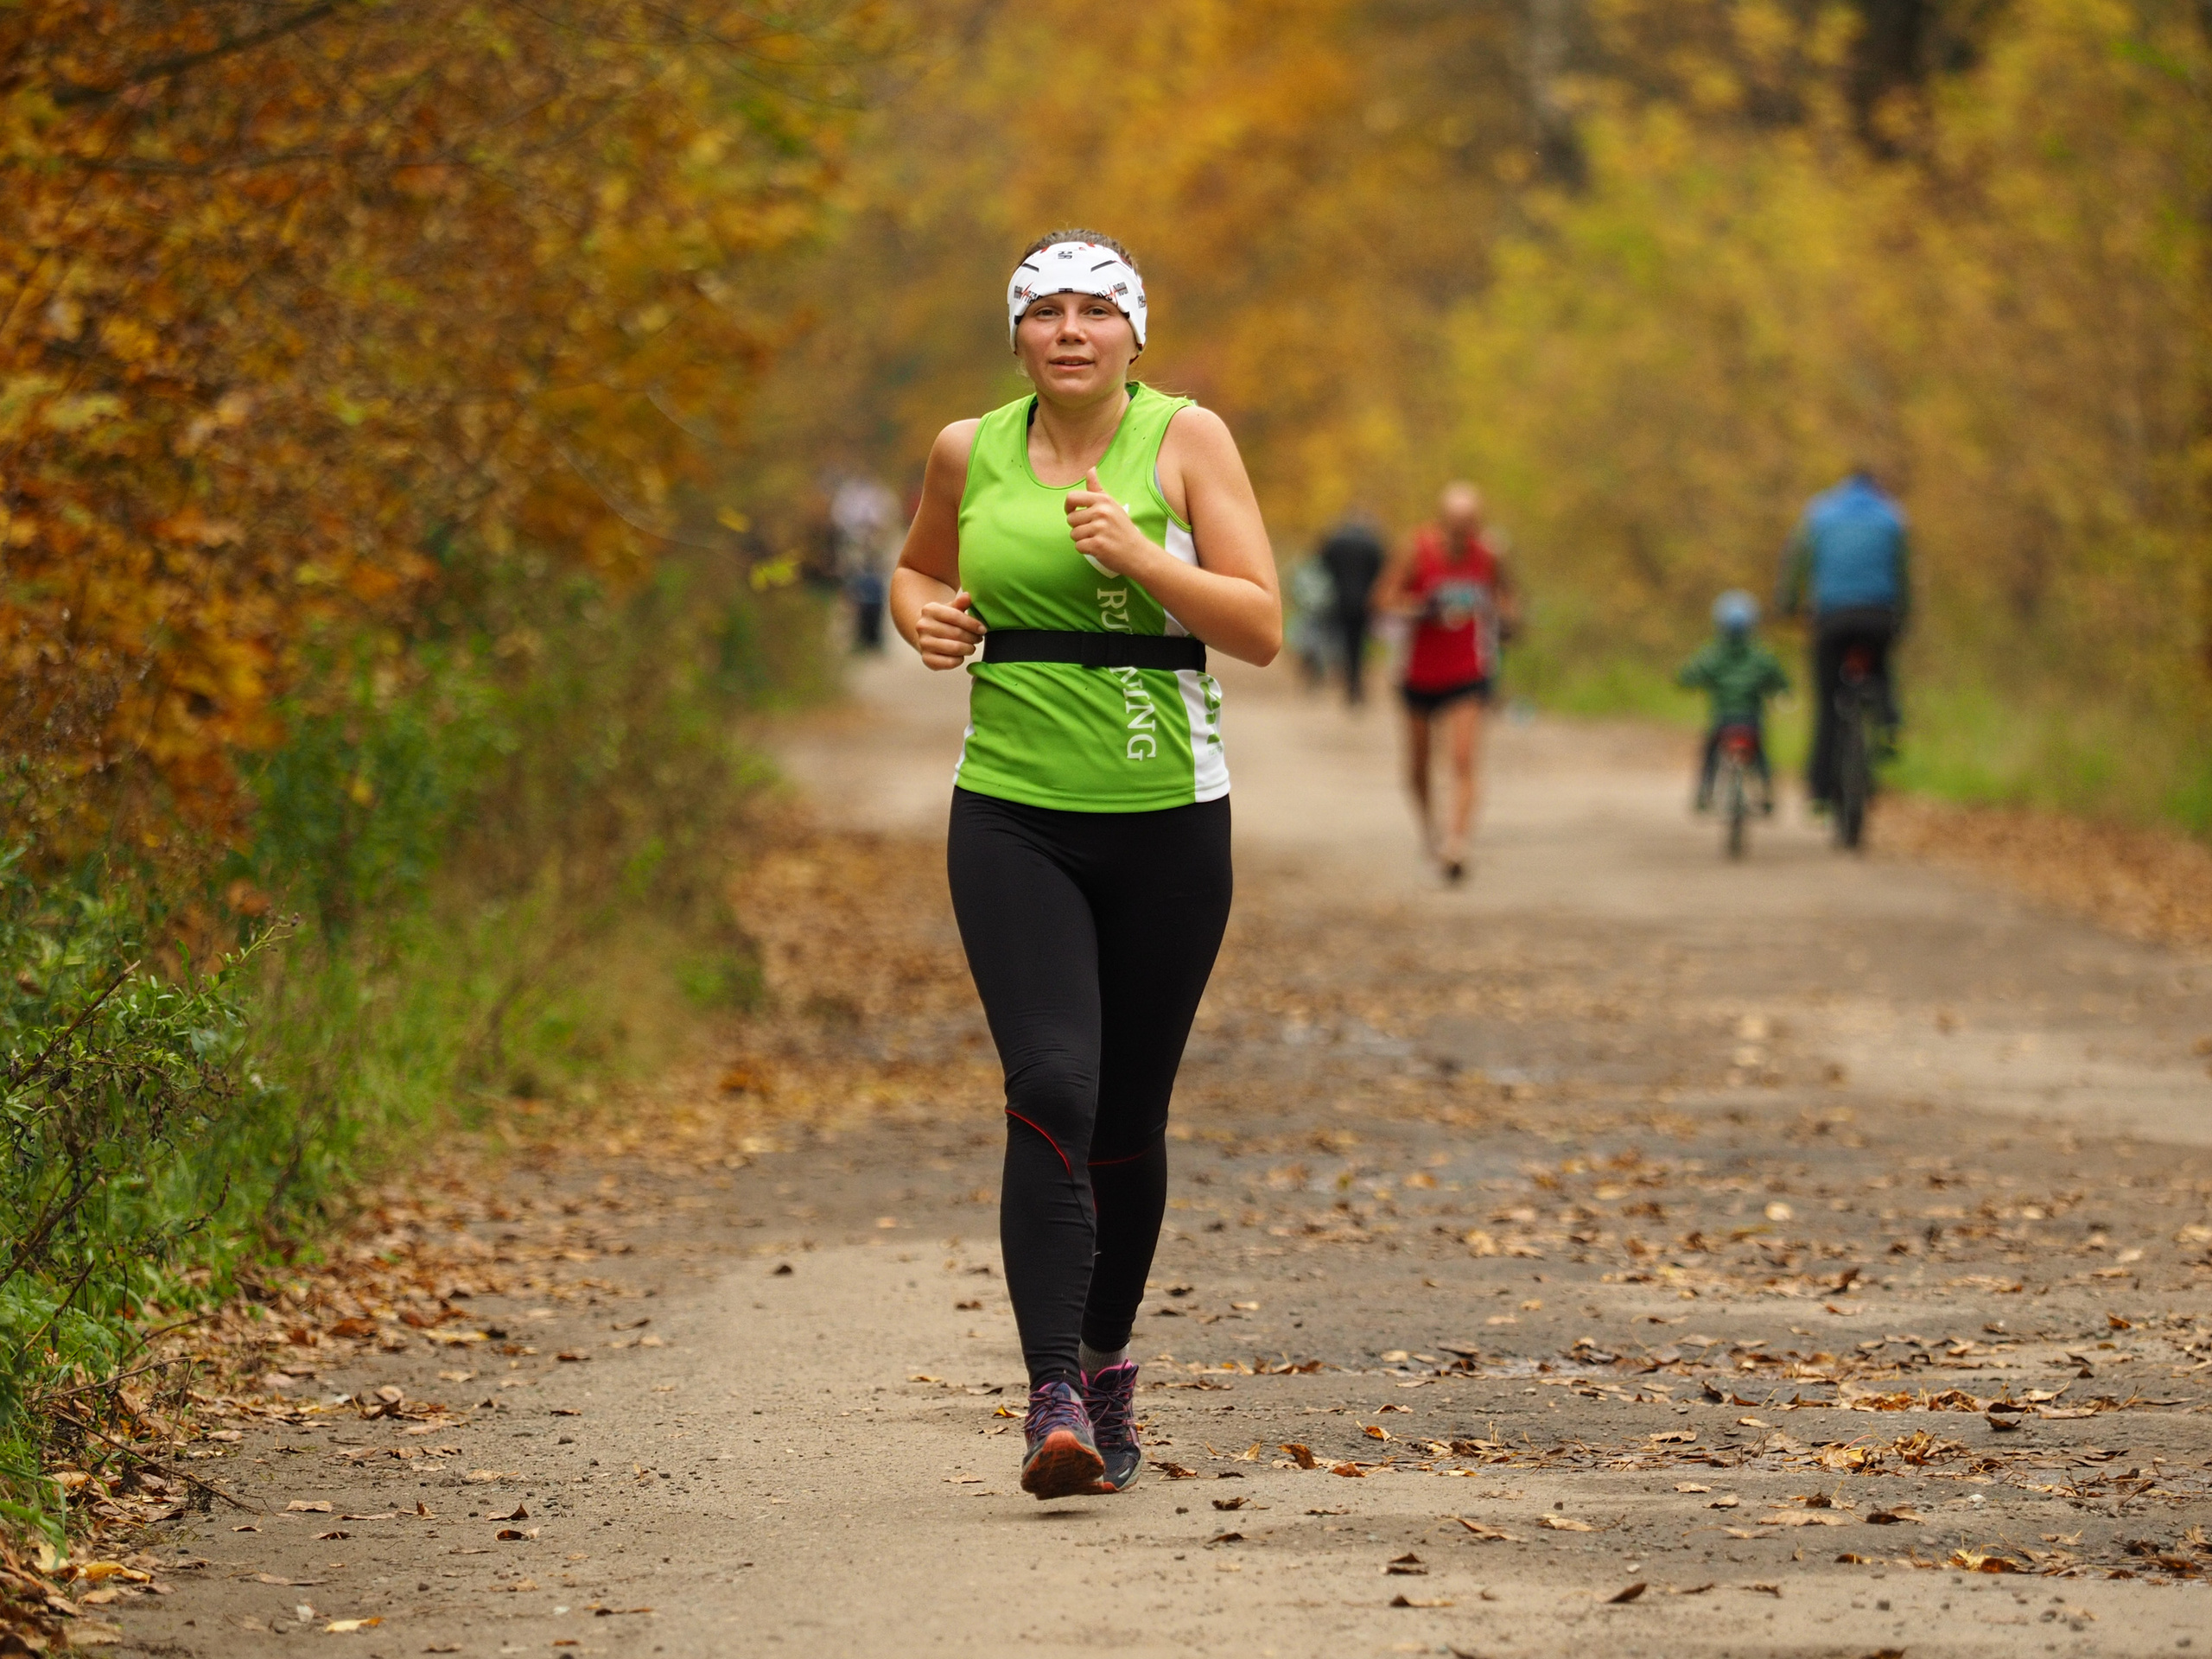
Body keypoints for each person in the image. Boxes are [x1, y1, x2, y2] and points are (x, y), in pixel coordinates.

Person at [887, 231, 1280, 1501]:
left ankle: (1109, 1365)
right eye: (1044, 311)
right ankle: (1051, 1390)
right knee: (1052, 1080)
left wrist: (1145, 558)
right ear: (1016, 336)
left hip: (1169, 818)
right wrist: (921, 617)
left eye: (1095, 311)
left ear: (1133, 334)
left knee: (1126, 1116)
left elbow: (1263, 626)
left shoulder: (1187, 440)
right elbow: (914, 566)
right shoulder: (968, 448)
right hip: (1012, 813)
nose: (1070, 330)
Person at [1373, 480, 1516, 883]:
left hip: (1467, 671)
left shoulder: (1488, 555)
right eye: (1455, 522)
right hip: (1418, 671)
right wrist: (1420, 608)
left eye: (1469, 523)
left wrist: (1507, 619)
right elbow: (1383, 599)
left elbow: (1507, 599)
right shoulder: (1417, 550)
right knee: (1418, 764)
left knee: (1464, 758)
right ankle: (1430, 832)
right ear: (1442, 519)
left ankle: (1457, 843)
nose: (1462, 531)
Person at [1775, 467, 1911, 809]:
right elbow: (1903, 573)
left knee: (1828, 702)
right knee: (1880, 669)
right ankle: (1890, 727)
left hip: (1832, 618)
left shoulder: (1820, 512)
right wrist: (1902, 617)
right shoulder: (1892, 516)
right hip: (1879, 616)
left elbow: (1796, 560)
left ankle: (1820, 789)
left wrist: (1789, 604)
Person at [1678, 590, 1789, 813]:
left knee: (1710, 753)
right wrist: (1780, 690)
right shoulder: (1761, 656)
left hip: (1723, 720)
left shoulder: (1712, 655)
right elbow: (1779, 680)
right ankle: (1766, 791)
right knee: (1760, 754)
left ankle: (1704, 792)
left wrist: (1690, 682)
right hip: (1751, 720)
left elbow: (1688, 676)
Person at [1315, 511, 1386, 704]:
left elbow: (1323, 563)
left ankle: (1349, 681)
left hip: (1341, 598)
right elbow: (1383, 568)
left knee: (1344, 642)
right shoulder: (1373, 542)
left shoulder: (1336, 541)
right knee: (1360, 642)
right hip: (1366, 601)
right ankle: (1357, 683)